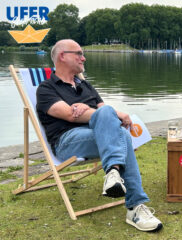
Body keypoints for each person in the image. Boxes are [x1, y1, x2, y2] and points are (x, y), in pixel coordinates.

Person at [36, 39, 162, 232]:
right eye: (78, 53)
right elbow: (71, 114)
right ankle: (134, 207)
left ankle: (114, 175)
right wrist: (104, 112)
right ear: (63, 56)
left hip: (99, 136)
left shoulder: (86, 86)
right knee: (119, 131)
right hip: (67, 141)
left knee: (119, 130)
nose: (83, 58)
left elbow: (107, 115)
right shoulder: (46, 89)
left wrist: (94, 110)